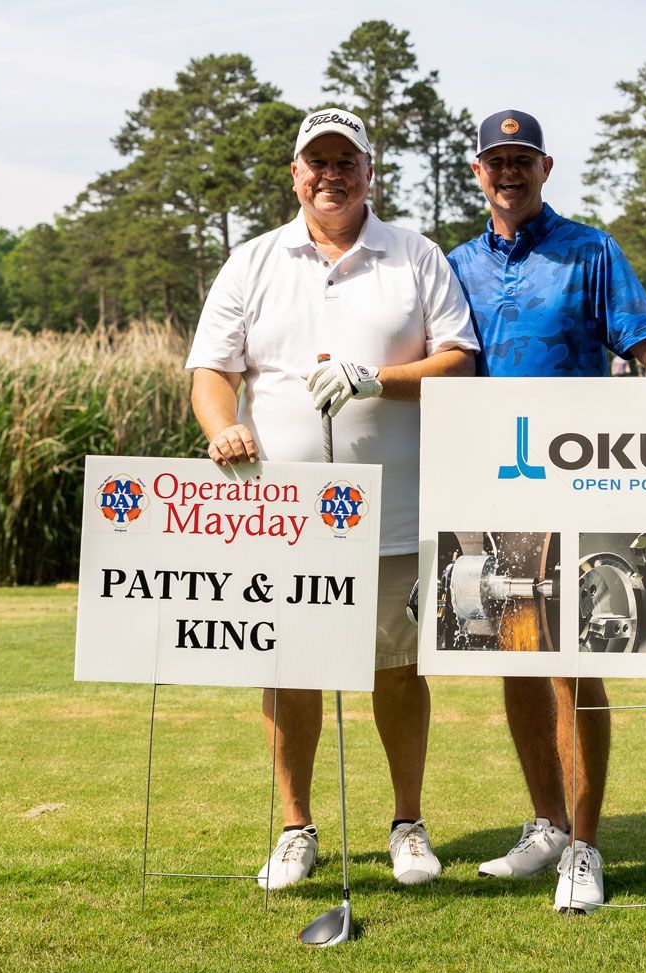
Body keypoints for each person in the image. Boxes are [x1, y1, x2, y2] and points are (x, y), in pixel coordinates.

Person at [186, 108, 478, 890]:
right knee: (290, 668)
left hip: (398, 511)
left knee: (399, 669)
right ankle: (295, 829)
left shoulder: (414, 255)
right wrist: (222, 427)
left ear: (368, 172)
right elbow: (213, 373)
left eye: (346, 161)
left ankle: (408, 825)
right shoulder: (252, 262)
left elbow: (459, 362)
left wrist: (376, 380)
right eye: (317, 161)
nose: (331, 175)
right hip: (281, 517)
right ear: (295, 174)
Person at [447, 109, 646, 914]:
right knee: (515, 654)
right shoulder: (455, 264)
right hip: (488, 482)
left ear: (545, 167)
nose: (509, 172)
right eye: (496, 160)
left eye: (522, 159)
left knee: (571, 657)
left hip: (574, 482)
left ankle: (586, 845)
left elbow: (645, 339)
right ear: (477, 171)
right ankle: (547, 825)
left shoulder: (590, 251)